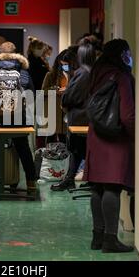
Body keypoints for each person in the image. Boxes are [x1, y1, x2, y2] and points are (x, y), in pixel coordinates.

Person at [84, 39, 135, 253]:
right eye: (128, 53)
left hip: (96, 135)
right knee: (112, 187)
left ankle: (97, 237)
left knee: (97, 187)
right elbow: (127, 114)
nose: (130, 57)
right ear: (122, 55)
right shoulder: (121, 76)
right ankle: (111, 239)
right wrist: (137, 138)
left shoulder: (96, 73)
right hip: (115, 138)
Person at [0, 41, 38, 192]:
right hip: (17, 116)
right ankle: (31, 182)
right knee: (23, 148)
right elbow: (30, 93)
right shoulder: (23, 68)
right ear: (16, 52)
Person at [51, 39, 96, 191]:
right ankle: (75, 179)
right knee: (80, 151)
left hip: (80, 119)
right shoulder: (91, 72)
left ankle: (70, 179)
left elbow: (70, 97)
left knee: (77, 150)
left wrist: (64, 98)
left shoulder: (82, 73)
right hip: (84, 118)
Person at [41, 49, 75, 144]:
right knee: (50, 138)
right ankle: (49, 157)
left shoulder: (73, 75)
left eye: (67, 64)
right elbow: (43, 91)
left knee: (65, 138)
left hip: (66, 110)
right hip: (53, 110)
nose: (65, 66)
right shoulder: (51, 75)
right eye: (63, 64)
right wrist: (55, 90)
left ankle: (65, 158)